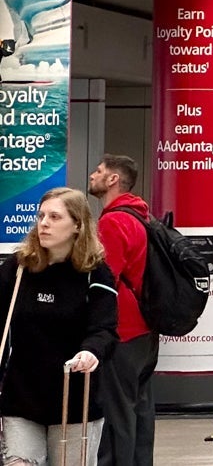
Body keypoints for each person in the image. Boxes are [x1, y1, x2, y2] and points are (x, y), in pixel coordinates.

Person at [0, 188, 118, 466]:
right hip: (21, 397)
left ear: (77, 225)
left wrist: (91, 352)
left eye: (54, 217)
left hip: (74, 400)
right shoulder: (18, 268)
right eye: (41, 216)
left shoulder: (95, 272)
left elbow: (105, 328)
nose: (44, 223)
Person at [88, 154, 156, 466]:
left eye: (99, 171)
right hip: (145, 329)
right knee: (139, 412)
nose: (93, 175)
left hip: (122, 331)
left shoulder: (112, 221)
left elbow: (106, 280)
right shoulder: (141, 216)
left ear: (113, 179)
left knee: (116, 419)